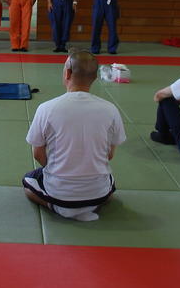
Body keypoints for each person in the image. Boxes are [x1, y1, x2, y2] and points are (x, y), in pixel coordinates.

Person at [23, 50, 126, 221]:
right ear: (95, 77)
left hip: (59, 192)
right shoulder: (111, 109)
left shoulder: (46, 108)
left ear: (67, 73)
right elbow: (109, 154)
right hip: (98, 193)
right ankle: (90, 204)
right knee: (107, 182)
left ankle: (58, 207)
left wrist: (57, 168)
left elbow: (37, 154)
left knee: (28, 180)